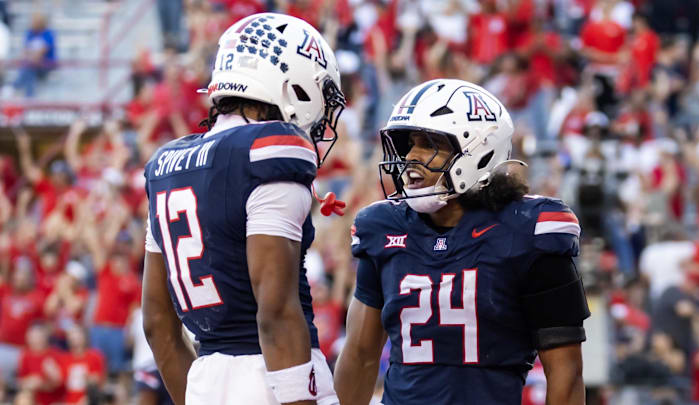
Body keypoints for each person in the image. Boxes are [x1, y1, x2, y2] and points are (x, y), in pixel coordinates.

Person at [334, 79, 590, 405]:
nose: (411, 156)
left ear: (478, 151)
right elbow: (360, 356)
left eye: (428, 143)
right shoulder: (383, 228)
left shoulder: (528, 232)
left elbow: (566, 374)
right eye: (409, 144)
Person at [141, 12, 345, 405]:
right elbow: (276, 314)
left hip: (205, 380)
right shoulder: (270, 149)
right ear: (292, 84)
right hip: (275, 378)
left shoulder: (165, 164)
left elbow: (157, 324)